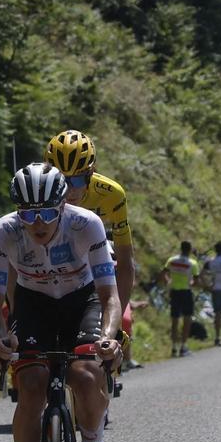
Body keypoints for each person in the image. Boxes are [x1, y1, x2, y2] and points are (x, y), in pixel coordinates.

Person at [0, 163, 121, 442]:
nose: (38, 222)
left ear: (63, 205)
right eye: (28, 213)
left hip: (83, 299)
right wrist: (0, 338)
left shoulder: (86, 224)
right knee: (31, 384)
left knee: (85, 372)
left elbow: (109, 296)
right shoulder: (4, 233)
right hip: (34, 303)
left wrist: (108, 336)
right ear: (18, 212)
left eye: (46, 212)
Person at [44, 129, 136, 352]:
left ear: (92, 172)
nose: (70, 189)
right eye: (63, 180)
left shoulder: (112, 194)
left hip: (94, 252)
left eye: (78, 179)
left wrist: (113, 324)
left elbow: (126, 262)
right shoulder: (39, 190)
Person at [159, 241, 196, 357]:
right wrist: (192, 282)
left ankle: (174, 347)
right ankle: (183, 347)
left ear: (181, 248)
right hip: (186, 292)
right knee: (187, 319)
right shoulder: (192, 263)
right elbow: (196, 280)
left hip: (174, 292)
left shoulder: (172, 260)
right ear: (190, 250)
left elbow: (163, 273)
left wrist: (167, 281)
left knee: (175, 321)